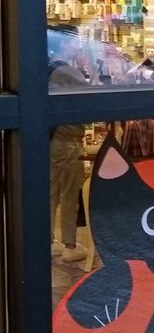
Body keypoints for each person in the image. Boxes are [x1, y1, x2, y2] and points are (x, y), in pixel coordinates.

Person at [48, 24, 88, 262]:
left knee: (51, 191)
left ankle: (49, 240)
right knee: (70, 194)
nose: (79, 45)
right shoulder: (69, 72)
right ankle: (70, 245)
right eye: (75, 41)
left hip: (52, 138)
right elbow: (89, 103)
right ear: (64, 43)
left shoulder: (48, 68)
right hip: (69, 140)